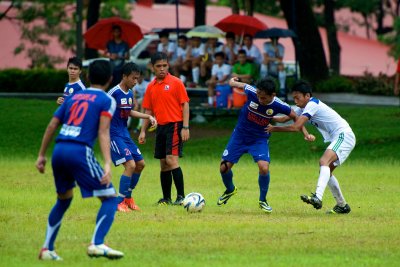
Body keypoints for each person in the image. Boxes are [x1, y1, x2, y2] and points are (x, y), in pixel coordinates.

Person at [36, 59, 124, 260]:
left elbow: (52, 126)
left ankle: (47, 249)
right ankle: (97, 244)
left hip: (59, 150)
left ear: (86, 76)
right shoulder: (106, 100)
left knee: (64, 199)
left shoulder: (72, 97)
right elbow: (103, 132)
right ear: (110, 79)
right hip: (79, 151)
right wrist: (108, 164)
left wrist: (41, 155)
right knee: (110, 198)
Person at [217, 77, 313, 213]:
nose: (260, 100)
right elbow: (237, 84)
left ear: (272, 95)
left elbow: (296, 117)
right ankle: (230, 190)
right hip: (240, 136)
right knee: (223, 168)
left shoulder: (279, 105)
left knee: (264, 167)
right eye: (258, 97)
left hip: (259, 139)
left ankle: (263, 200)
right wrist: (233, 81)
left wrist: (305, 133)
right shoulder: (252, 91)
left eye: (263, 98)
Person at [266, 80, 356, 214]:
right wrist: (267, 115)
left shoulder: (312, 104)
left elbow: (296, 127)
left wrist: (273, 129)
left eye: (298, 97)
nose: (295, 101)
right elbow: (285, 118)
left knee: (323, 162)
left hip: (344, 135)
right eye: (294, 98)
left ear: (307, 96)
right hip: (339, 137)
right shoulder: (303, 107)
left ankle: (317, 197)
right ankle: (342, 205)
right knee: (326, 171)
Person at [139, 52, 190, 206]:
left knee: (171, 159)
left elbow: (185, 104)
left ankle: (181, 197)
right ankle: (166, 198)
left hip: (175, 125)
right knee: (163, 163)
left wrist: (185, 127)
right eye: (158, 66)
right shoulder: (151, 87)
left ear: (168, 65)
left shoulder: (176, 82)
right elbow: (148, 111)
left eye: (164, 65)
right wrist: (142, 131)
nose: (162, 69)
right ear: (152, 67)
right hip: (160, 127)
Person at [108, 62, 157, 213]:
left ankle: (128, 198)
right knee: (130, 165)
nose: (136, 81)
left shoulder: (129, 93)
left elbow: (129, 112)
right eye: (133, 78)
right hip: (113, 134)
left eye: (137, 78)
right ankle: (118, 201)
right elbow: (99, 111)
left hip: (124, 133)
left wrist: (148, 116)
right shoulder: (113, 93)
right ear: (124, 76)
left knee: (140, 164)